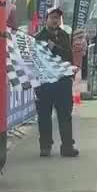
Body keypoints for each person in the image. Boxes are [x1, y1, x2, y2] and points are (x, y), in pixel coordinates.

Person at [33, 8, 77, 157]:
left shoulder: (64, 35)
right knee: (44, 116)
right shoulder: (38, 37)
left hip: (62, 82)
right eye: (52, 17)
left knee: (65, 115)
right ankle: (45, 146)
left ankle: (67, 146)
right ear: (46, 19)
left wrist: (55, 48)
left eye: (57, 18)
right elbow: (35, 60)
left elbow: (68, 56)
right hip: (45, 84)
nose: (55, 20)